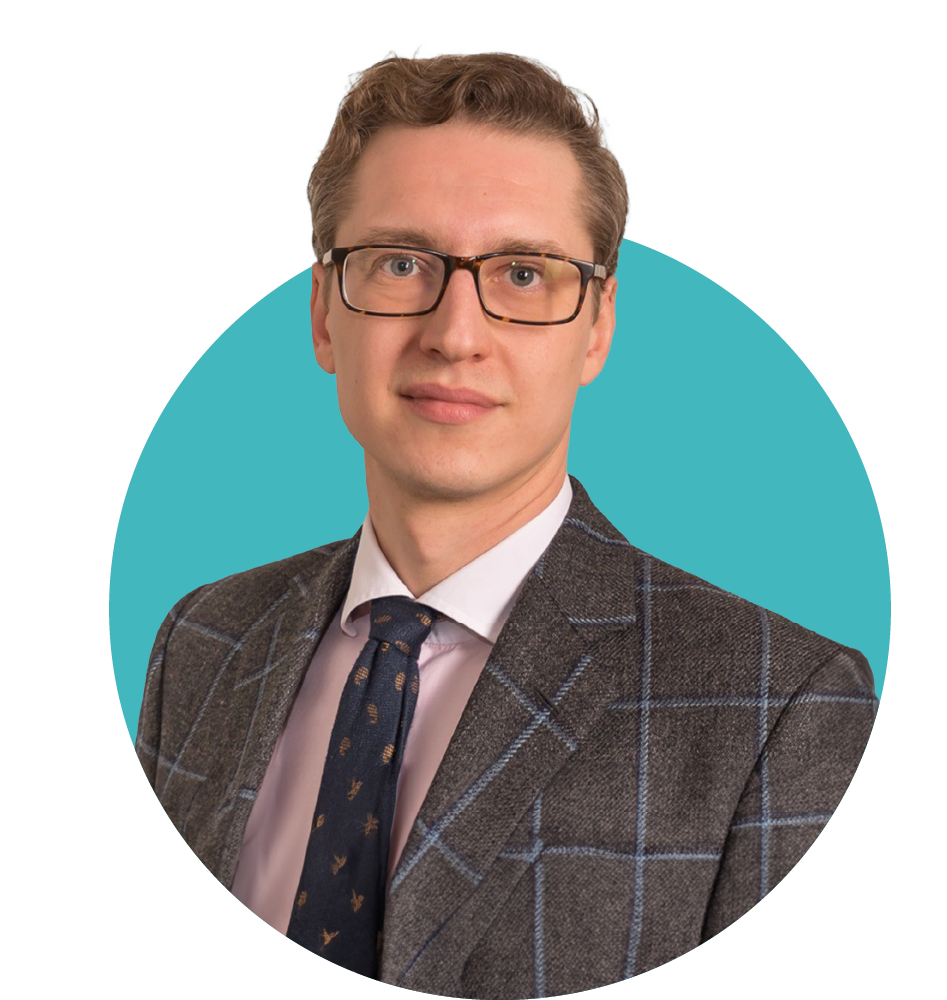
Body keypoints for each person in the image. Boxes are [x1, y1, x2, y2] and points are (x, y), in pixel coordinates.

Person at [136, 48, 878, 999]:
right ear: (324, 314)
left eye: (524, 274)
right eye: (401, 264)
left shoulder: (782, 708)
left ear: (597, 327)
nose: (455, 334)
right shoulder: (202, 641)